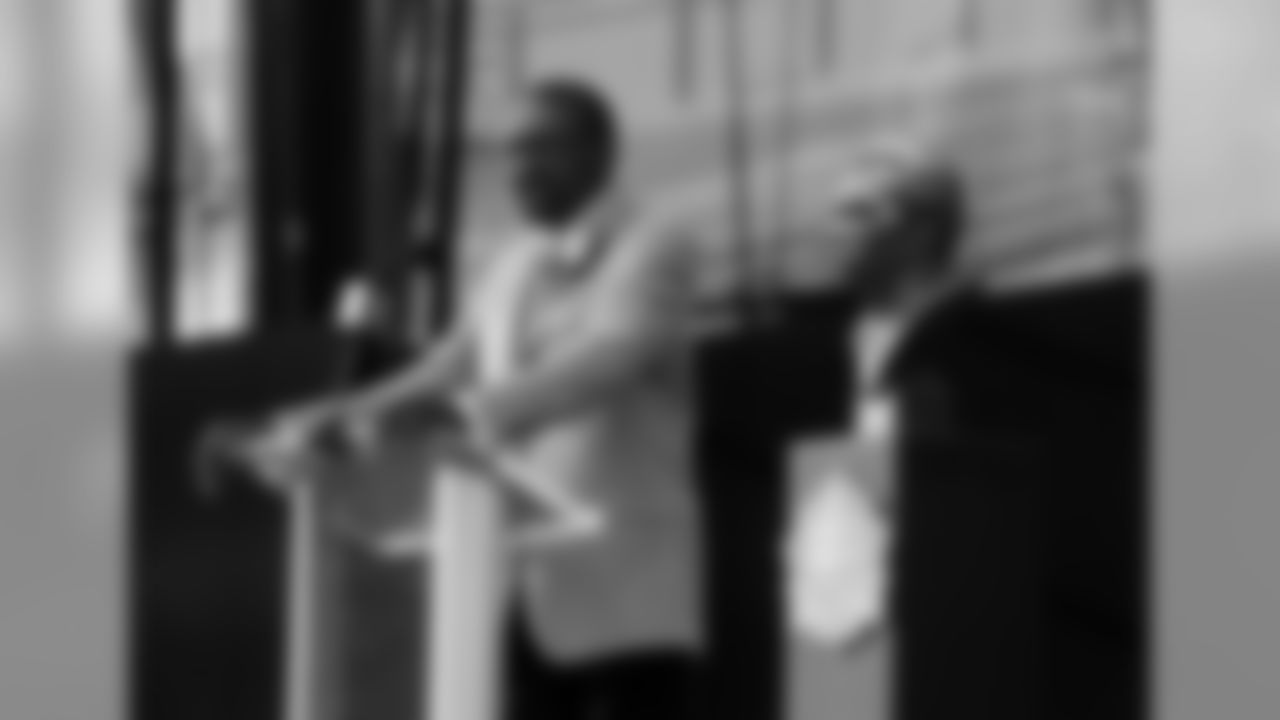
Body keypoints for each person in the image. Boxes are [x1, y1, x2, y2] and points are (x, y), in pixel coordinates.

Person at [271, 77, 705, 720]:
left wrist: (470, 412)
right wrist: (345, 414)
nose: (520, 167)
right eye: (513, 150)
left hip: (624, 600)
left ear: (601, 151)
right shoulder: (513, 262)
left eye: (542, 147)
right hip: (524, 596)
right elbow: (446, 367)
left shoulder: (654, 241)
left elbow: (611, 359)